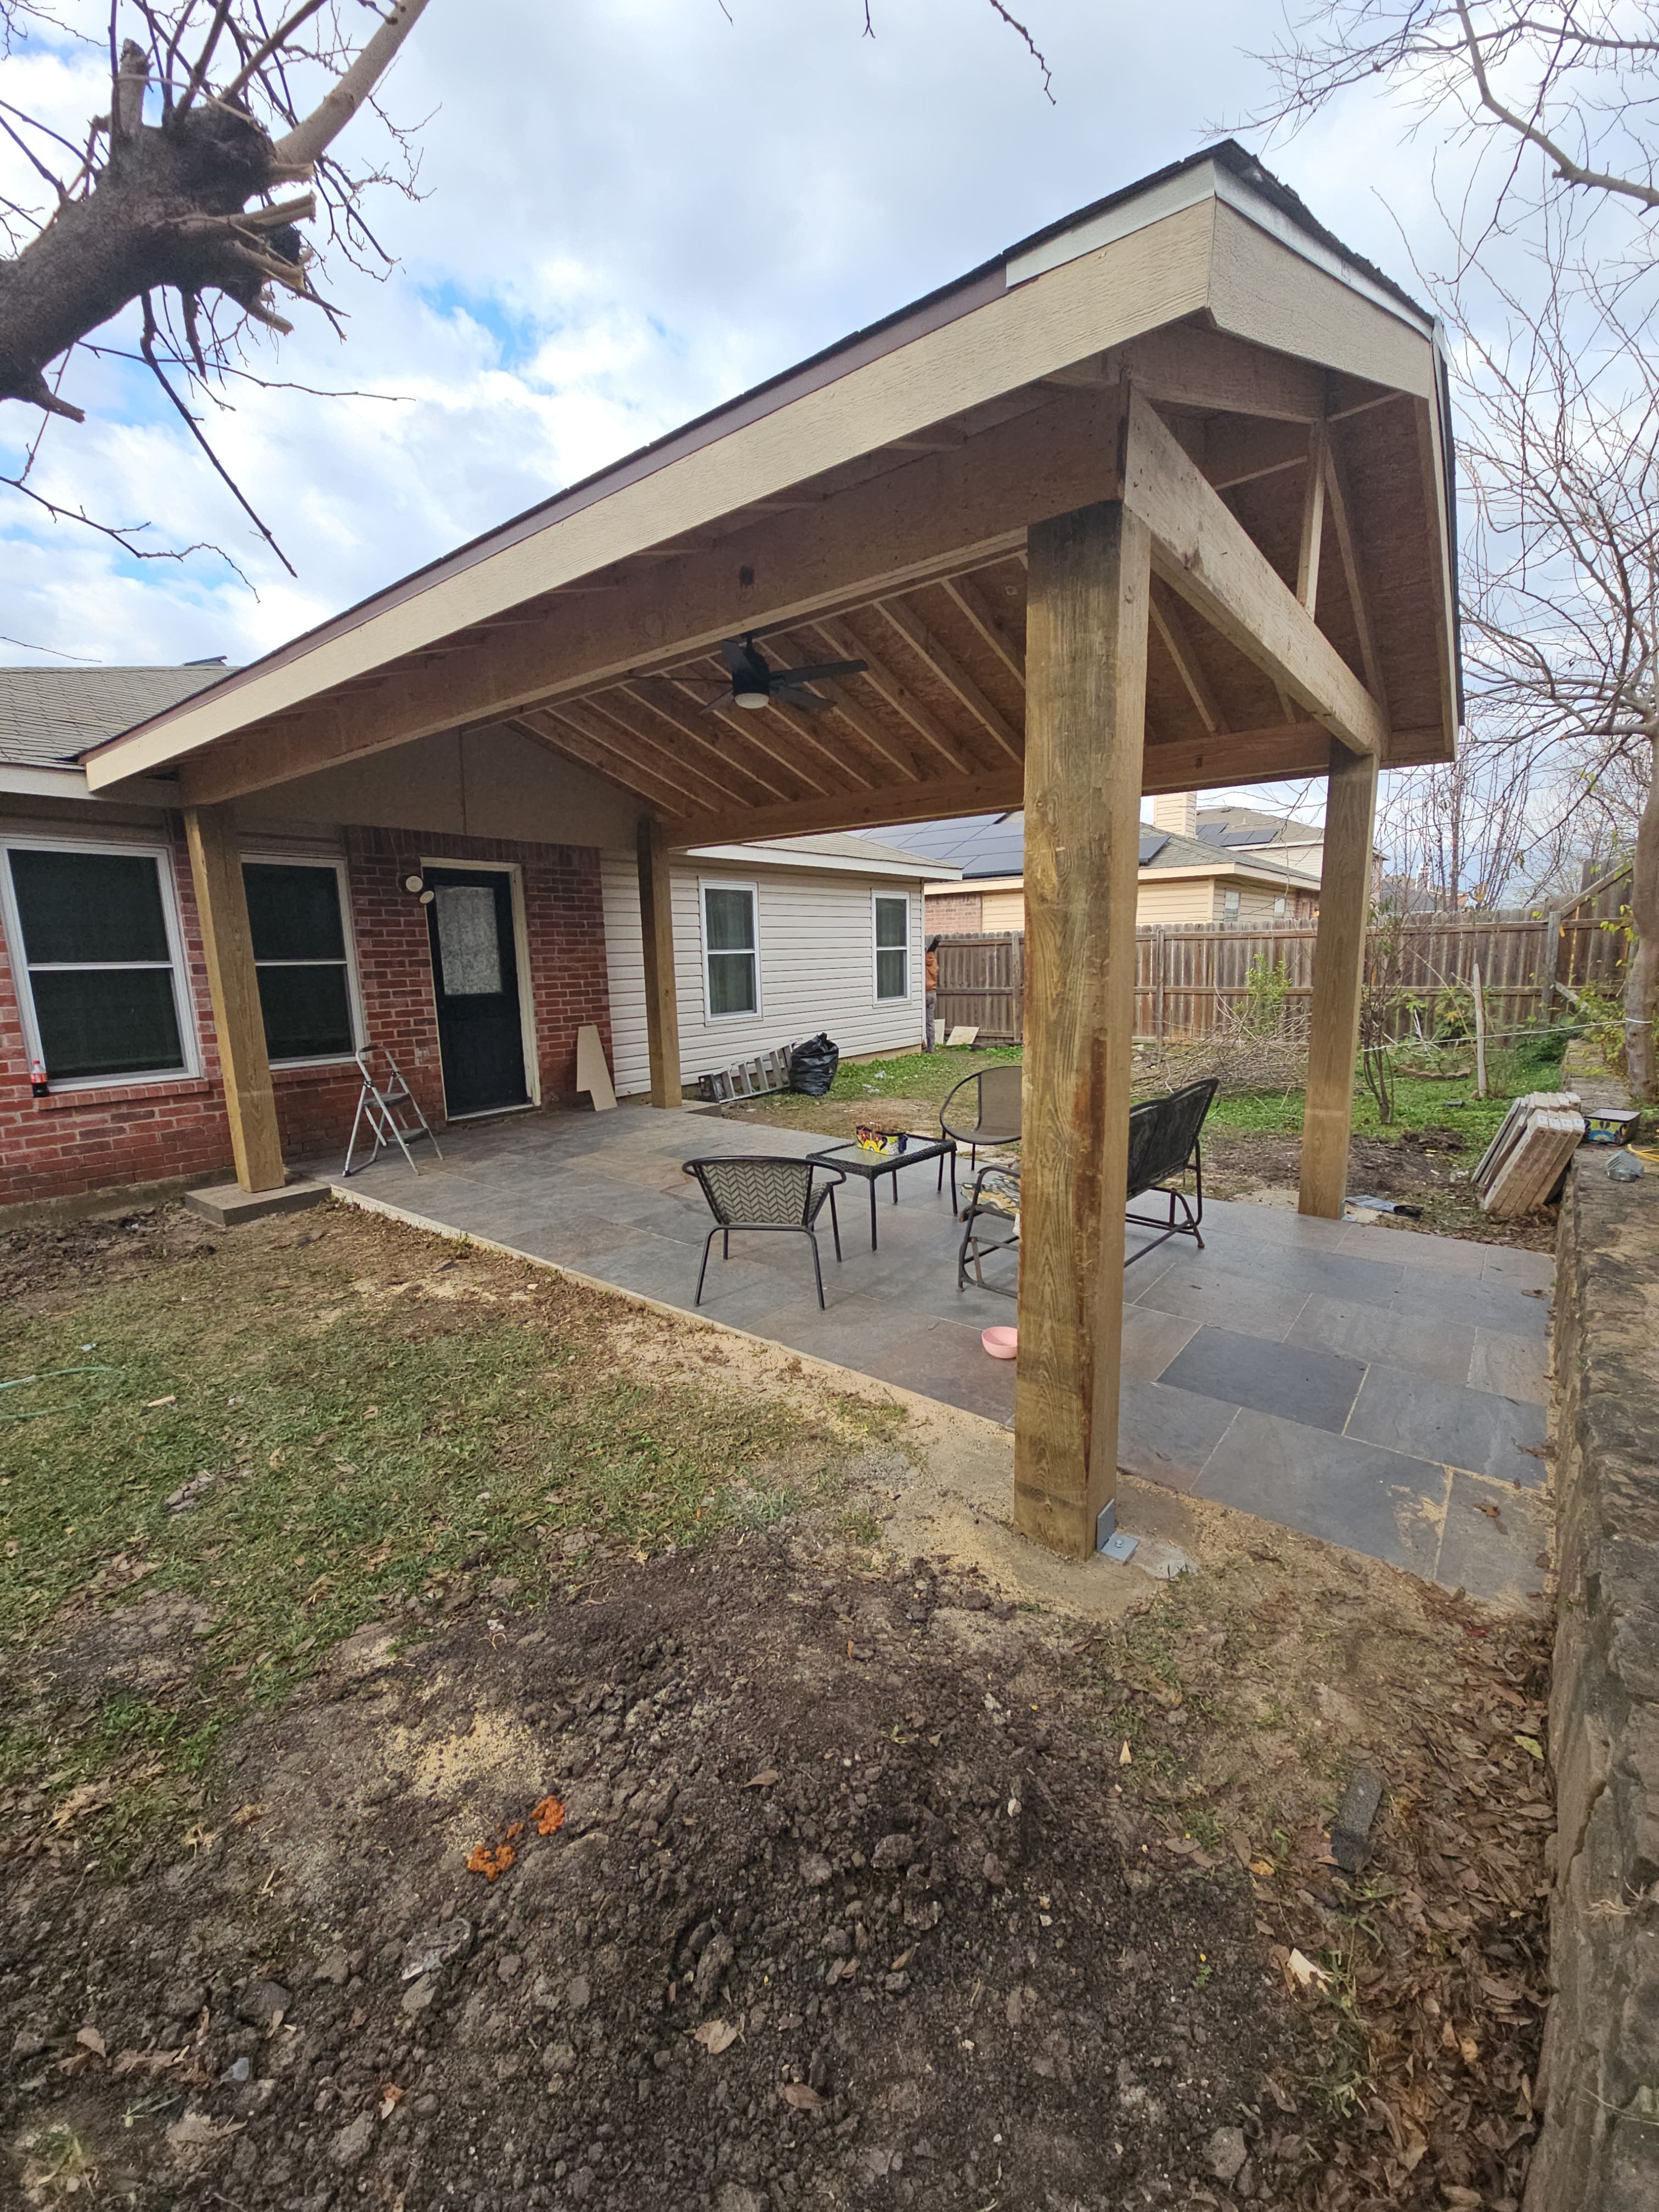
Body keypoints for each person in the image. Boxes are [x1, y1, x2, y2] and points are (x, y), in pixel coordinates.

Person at [924, 935, 941, 1052]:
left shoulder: (923, 961)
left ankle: (922, 1044)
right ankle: (931, 1047)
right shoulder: (934, 963)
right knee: (930, 1021)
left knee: (920, 1020)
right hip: (933, 993)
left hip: (924, 993)